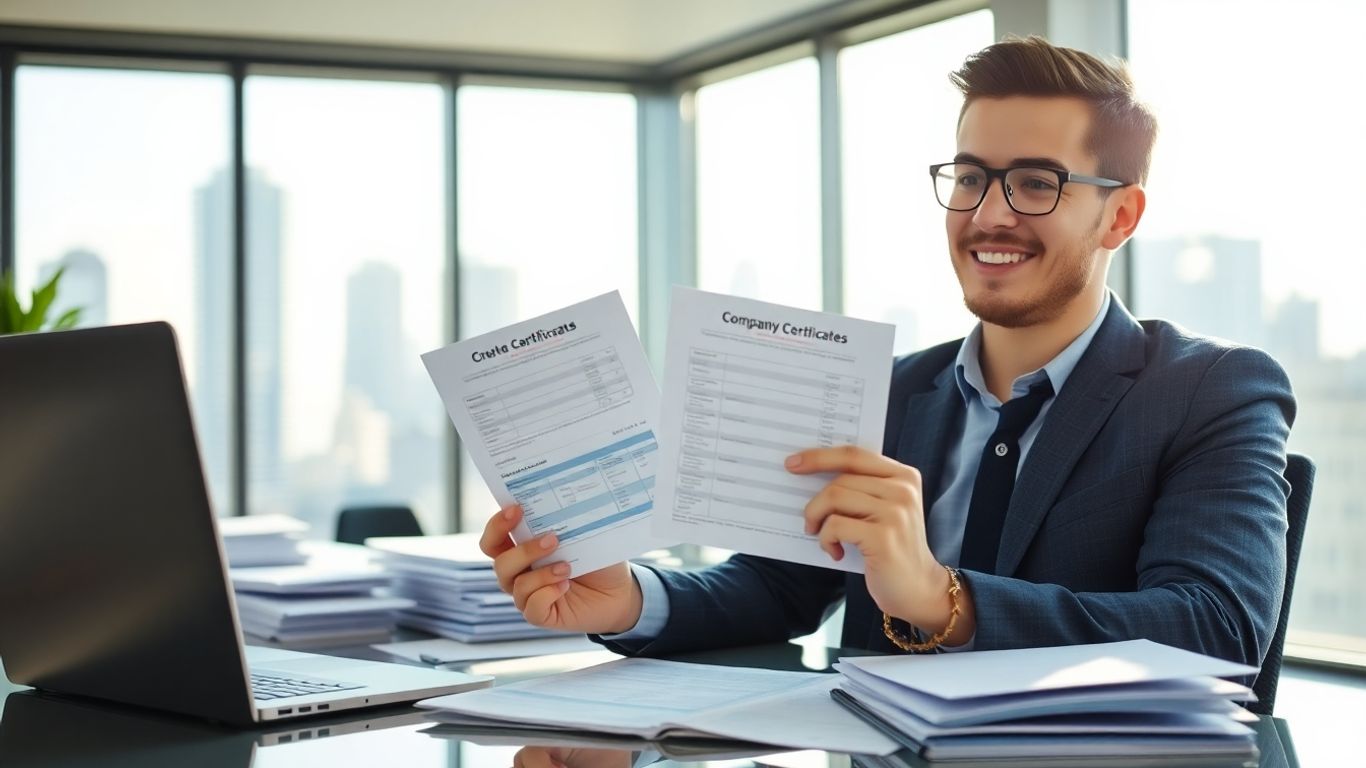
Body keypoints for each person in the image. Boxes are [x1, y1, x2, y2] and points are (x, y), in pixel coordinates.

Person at [479, 36, 1295, 665]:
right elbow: (776, 586)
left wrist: (946, 601)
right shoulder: (898, 390)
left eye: (1037, 184)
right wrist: (628, 600)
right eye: (971, 177)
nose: (988, 216)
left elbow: (1216, 626)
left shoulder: (1211, 390)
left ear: (1120, 218)